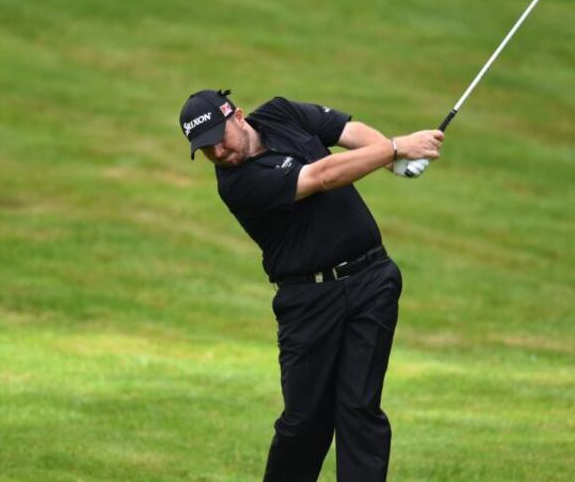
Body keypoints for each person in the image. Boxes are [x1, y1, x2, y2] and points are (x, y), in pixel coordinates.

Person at [179, 89, 443, 481]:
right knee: (305, 421)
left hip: (373, 280)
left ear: (237, 116)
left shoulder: (281, 113)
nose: (218, 153)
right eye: (206, 150)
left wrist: (394, 162)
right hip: (308, 301)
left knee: (360, 408)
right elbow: (322, 176)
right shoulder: (238, 184)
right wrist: (394, 148)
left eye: (220, 140)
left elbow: (347, 131)